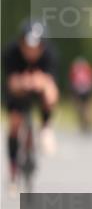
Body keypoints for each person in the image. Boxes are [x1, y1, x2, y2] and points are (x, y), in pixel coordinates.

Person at [2, 20, 60, 193]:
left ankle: (46, 128)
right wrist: (23, 83)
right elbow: (11, 83)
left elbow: (52, 89)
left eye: (36, 46)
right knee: (15, 124)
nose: (31, 51)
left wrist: (40, 82)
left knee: (48, 94)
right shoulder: (10, 52)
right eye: (28, 46)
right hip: (18, 90)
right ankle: (13, 170)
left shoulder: (50, 55)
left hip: (39, 88)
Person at [68, 57, 92, 132]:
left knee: (79, 108)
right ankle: (88, 124)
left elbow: (71, 82)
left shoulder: (75, 70)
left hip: (78, 91)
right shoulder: (88, 69)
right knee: (87, 108)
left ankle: (83, 124)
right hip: (87, 90)